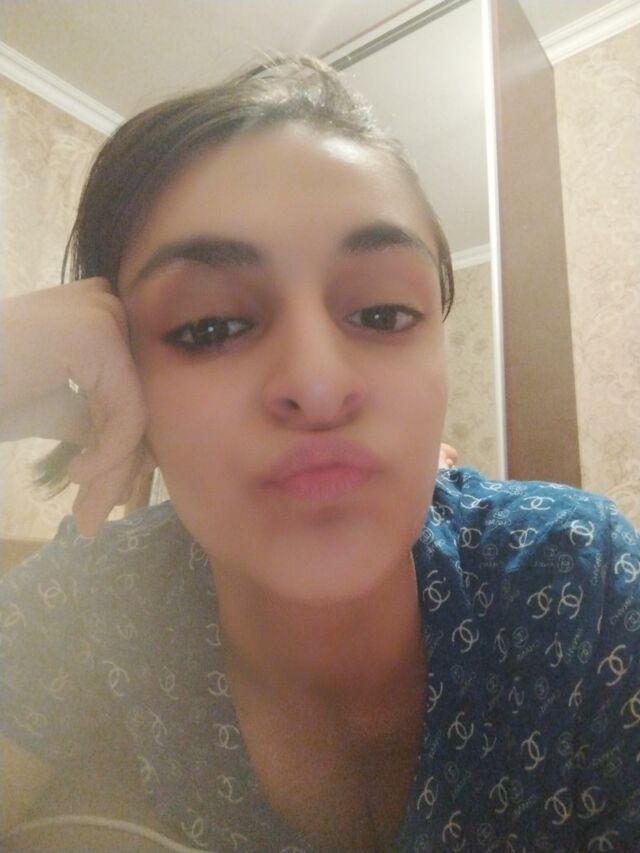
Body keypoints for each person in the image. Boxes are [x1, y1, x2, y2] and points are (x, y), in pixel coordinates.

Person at [0, 55, 638, 853]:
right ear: (126, 382)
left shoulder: (577, 580)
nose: (318, 382)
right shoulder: (91, 603)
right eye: (210, 326)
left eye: (383, 312)